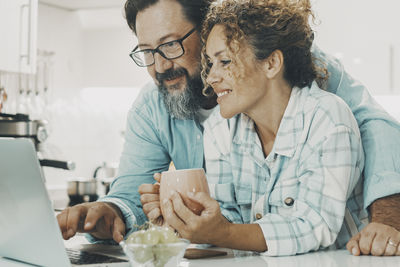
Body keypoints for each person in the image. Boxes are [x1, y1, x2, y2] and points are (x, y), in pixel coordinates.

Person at [56, 0, 400, 256]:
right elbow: (222, 216)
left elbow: (372, 123)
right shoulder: (207, 124)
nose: (160, 65)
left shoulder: (303, 77)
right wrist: (125, 213)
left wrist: (387, 220)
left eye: (171, 44)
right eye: (147, 51)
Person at [160, 0, 365, 255]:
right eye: (210, 63)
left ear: (271, 64)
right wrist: (186, 218)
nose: (211, 77)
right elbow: (227, 221)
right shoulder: (220, 129)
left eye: (225, 62)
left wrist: (221, 232)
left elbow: (314, 225)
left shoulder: (327, 119)